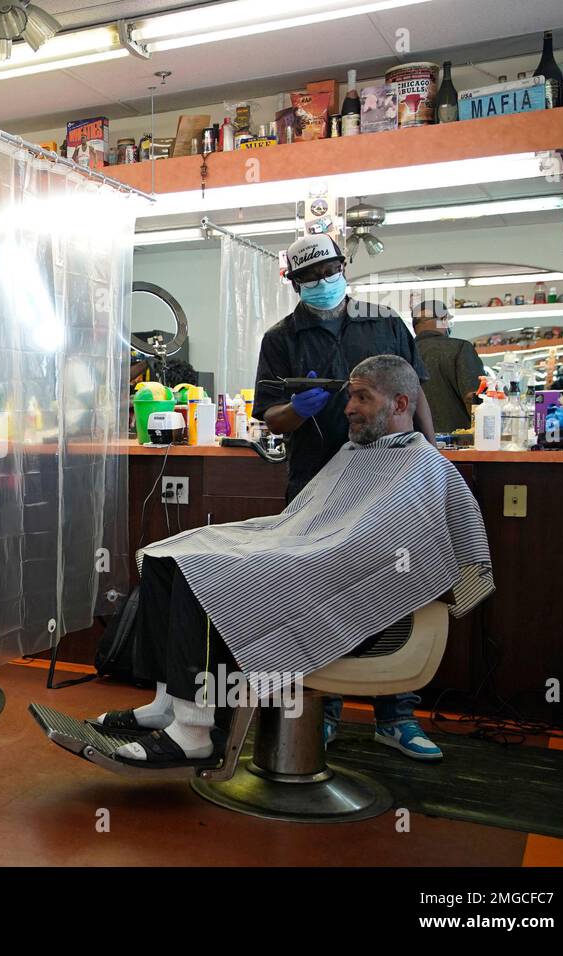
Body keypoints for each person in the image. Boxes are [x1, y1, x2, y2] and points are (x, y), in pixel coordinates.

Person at [91, 355, 492, 767]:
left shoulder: (424, 466)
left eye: (363, 398)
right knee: (169, 552)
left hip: (351, 602)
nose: (349, 407)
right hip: (310, 561)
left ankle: (194, 731)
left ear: (401, 404)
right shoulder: (356, 453)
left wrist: (285, 552)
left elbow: (369, 551)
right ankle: (168, 704)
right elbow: (308, 525)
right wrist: (282, 544)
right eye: (350, 396)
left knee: (205, 570)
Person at [253, 234, 442, 758]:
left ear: (344, 266)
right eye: (308, 278)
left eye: (329, 271)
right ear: (294, 283)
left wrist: (432, 452)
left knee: (399, 586)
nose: (321, 283)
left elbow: (416, 390)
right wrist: (299, 409)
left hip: (392, 481)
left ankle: (396, 715)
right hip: (318, 481)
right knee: (320, 595)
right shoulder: (281, 338)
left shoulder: (384, 323)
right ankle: (325, 709)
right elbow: (268, 414)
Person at [412, 299, 484, 434]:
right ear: (443, 319)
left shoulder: (401, 354)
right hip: (456, 442)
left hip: (414, 445)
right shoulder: (460, 348)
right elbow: (472, 397)